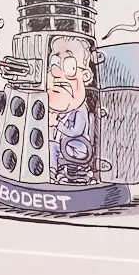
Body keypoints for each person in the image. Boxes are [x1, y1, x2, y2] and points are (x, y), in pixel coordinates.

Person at [46, 33, 94, 180]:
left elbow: (75, 131)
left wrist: (56, 124)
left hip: (77, 146)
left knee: (52, 146)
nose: (58, 73)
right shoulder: (54, 109)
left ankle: (51, 174)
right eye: (54, 63)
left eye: (69, 66)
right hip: (64, 144)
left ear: (85, 76)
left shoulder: (80, 109)